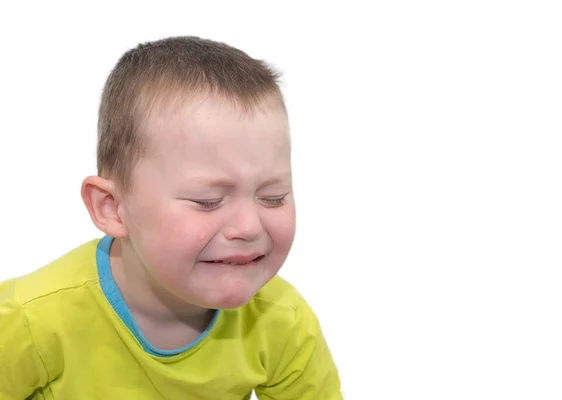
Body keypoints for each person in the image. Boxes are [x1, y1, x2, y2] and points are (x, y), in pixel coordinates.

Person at [0, 36, 342, 399]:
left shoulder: (282, 319)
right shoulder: (29, 320)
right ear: (112, 208)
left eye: (273, 198)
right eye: (207, 201)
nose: (249, 227)